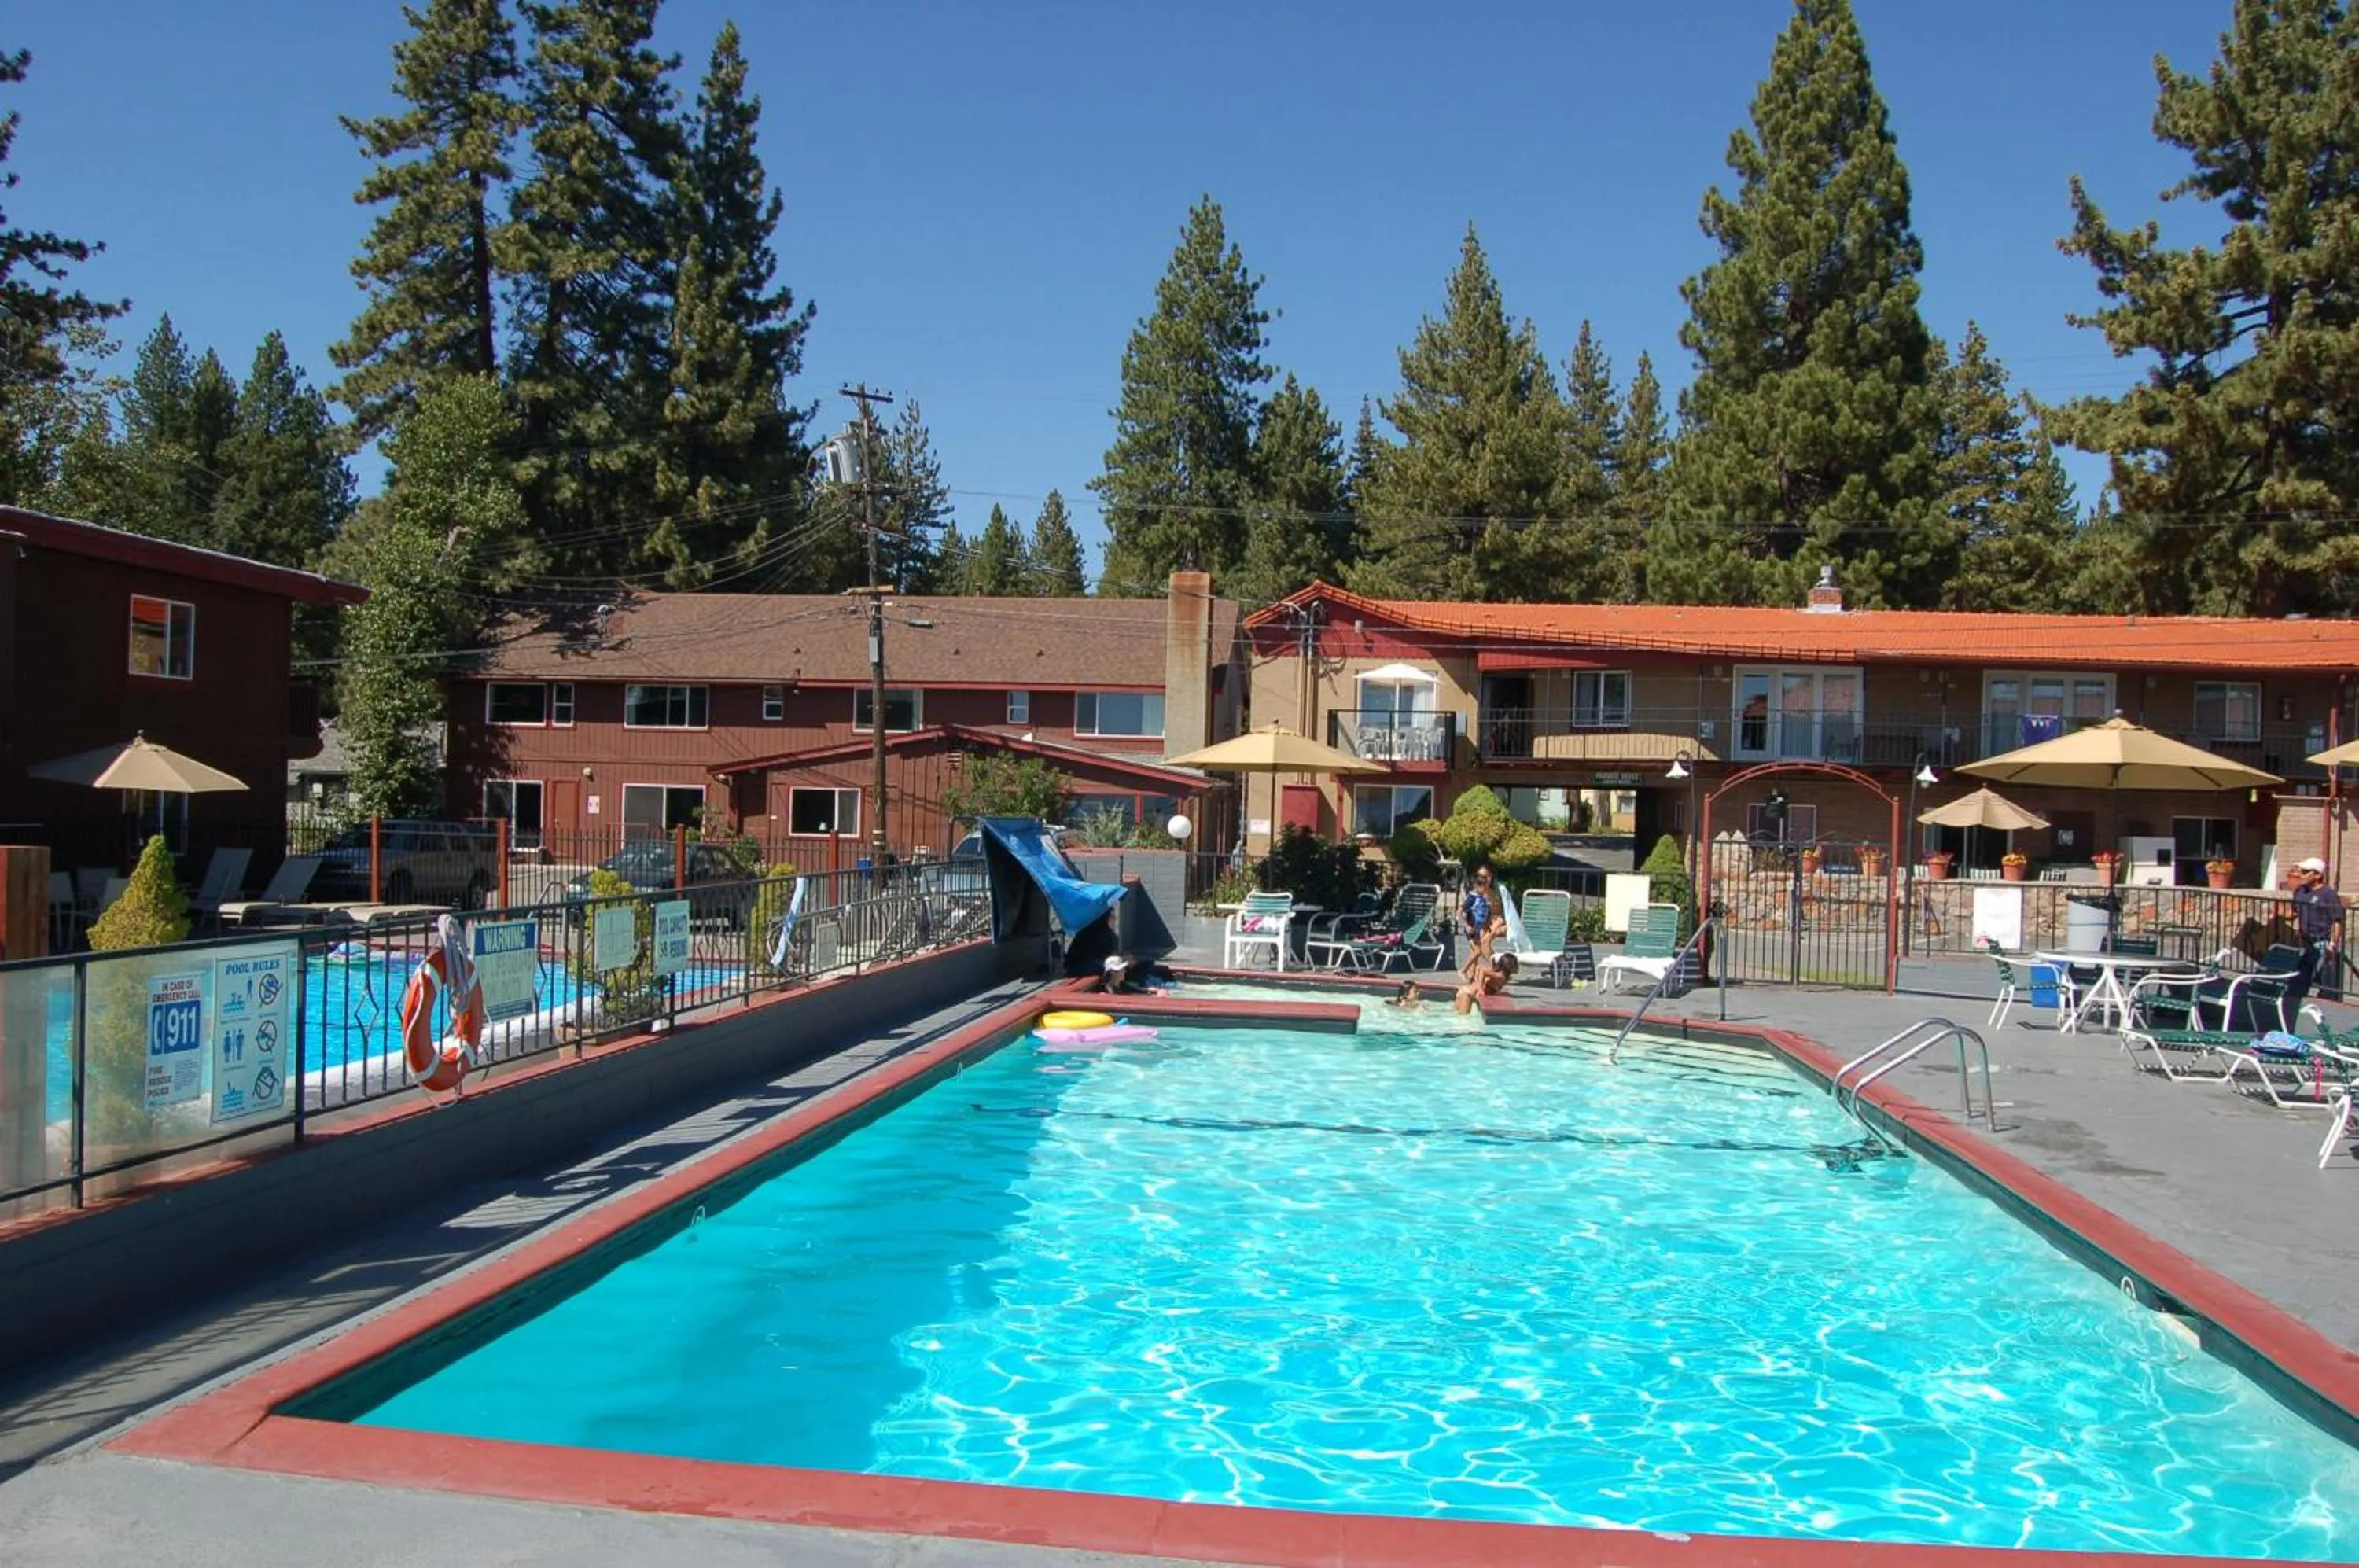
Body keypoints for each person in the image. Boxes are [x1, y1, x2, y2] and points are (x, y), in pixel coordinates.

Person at [2292, 856, 2344, 1003]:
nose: (2301, 874)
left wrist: (2332, 945)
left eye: (2305, 871)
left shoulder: (2328, 895)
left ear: (2317, 875)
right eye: (2301, 871)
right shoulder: (2300, 892)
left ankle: (2330, 1007)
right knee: (2299, 979)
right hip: (2304, 942)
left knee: (2326, 982)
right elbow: (2295, 912)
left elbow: (2337, 921)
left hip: (2321, 941)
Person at [1454, 951, 1518, 1014]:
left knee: (1456, 1017)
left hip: (1465, 991)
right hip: (1467, 995)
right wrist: (1480, 988)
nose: (1518, 967)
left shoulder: (1497, 974)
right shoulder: (1500, 976)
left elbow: (1479, 968)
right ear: (1510, 966)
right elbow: (1483, 971)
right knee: (1464, 1020)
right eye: (1516, 965)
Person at [1459, 866, 1496, 966]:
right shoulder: (1472, 898)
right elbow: (1459, 911)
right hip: (1471, 930)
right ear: (1477, 886)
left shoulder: (1482, 898)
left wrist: (1486, 925)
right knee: (1477, 951)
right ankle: (1463, 971)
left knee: (1477, 951)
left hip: (1477, 929)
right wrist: (1466, 925)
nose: (1485, 890)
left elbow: (1484, 913)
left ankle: (1471, 974)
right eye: (1483, 887)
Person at [1101, 954, 1170, 996]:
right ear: (1112, 972)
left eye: (1124, 968)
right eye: (1121, 970)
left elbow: (1137, 989)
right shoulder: (1105, 990)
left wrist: (1157, 990)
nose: (1124, 971)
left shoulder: (1121, 985)